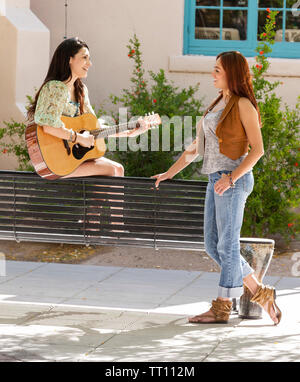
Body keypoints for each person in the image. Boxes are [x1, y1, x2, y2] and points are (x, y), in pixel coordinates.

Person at [152, 51, 282, 326]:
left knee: (227, 245)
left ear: (231, 74)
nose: (212, 74)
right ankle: (261, 293)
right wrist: (169, 173)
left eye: (218, 71)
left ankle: (222, 308)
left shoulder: (244, 105)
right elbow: (195, 150)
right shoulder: (214, 106)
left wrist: (232, 177)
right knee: (214, 245)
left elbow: (257, 151)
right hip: (215, 180)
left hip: (232, 182)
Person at [27, 37, 149, 178]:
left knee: (118, 169)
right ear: (69, 59)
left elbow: (93, 129)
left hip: (71, 159)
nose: (89, 64)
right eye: (84, 57)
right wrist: (78, 138)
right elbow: (48, 126)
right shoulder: (56, 87)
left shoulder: (81, 90)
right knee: (111, 169)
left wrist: (128, 132)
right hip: (53, 162)